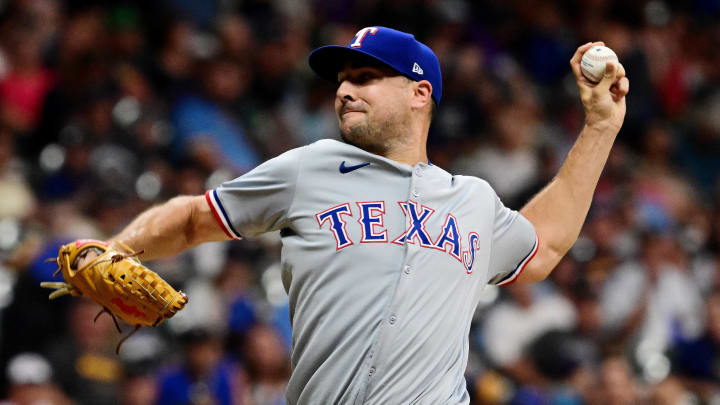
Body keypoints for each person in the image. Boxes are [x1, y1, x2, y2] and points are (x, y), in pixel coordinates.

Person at [76, 27, 628, 404]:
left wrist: (600, 128)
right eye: (341, 80)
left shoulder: (473, 200)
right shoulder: (309, 168)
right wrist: (120, 248)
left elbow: (546, 247)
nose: (343, 90)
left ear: (419, 93)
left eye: (365, 77)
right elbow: (195, 216)